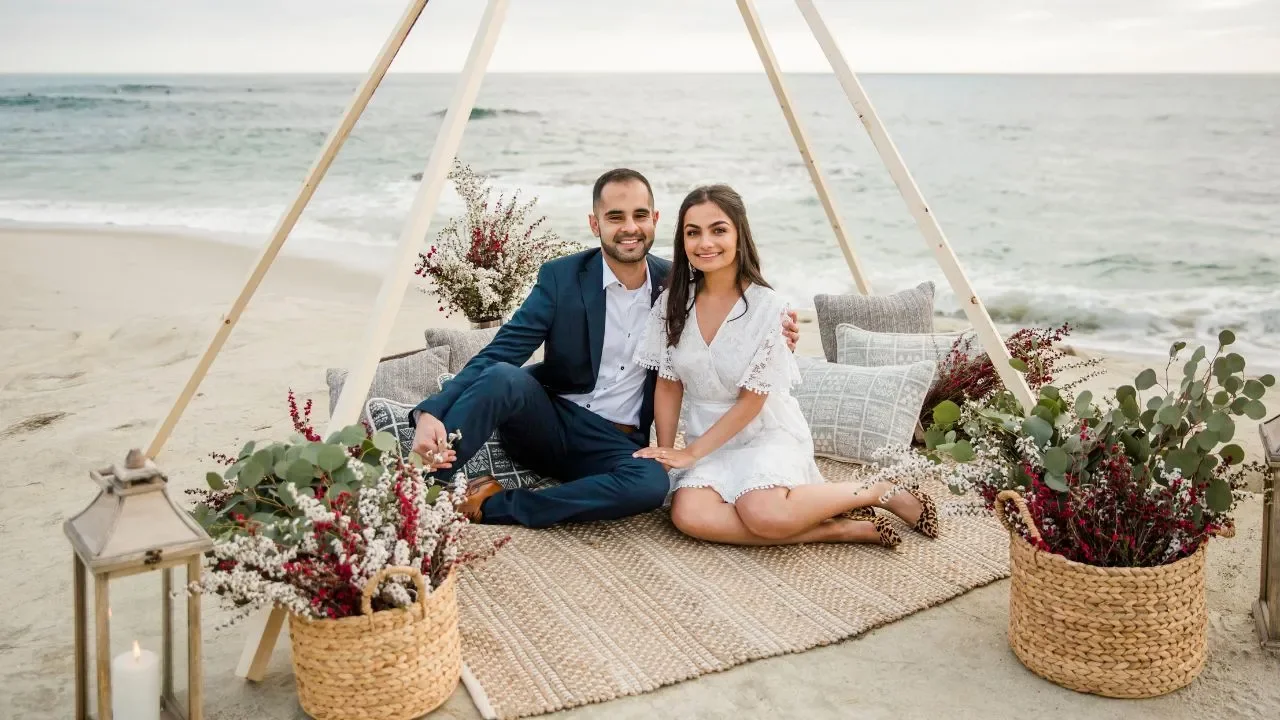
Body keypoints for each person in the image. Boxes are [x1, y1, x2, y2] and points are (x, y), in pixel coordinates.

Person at [408, 169, 800, 528]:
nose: (629, 228)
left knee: (649, 486)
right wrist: (431, 411)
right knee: (502, 376)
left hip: (616, 444)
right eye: (615, 217)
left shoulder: (676, 287)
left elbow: (734, 316)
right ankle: (424, 489)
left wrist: (778, 328)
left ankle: (491, 506)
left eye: (640, 215)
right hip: (548, 424)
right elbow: (501, 351)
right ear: (595, 223)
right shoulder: (561, 278)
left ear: (655, 221)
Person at [632, 184, 938, 547]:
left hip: (765, 433)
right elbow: (668, 383)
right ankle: (842, 528)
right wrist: (668, 454)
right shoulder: (673, 303)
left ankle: (878, 490)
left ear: (739, 236)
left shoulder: (768, 307)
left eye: (718, 230)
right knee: (688, 516)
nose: (705, 243)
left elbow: (752, 401)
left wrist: (689, 454)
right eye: (692, 232)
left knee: (762, 513)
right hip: (707, 439)